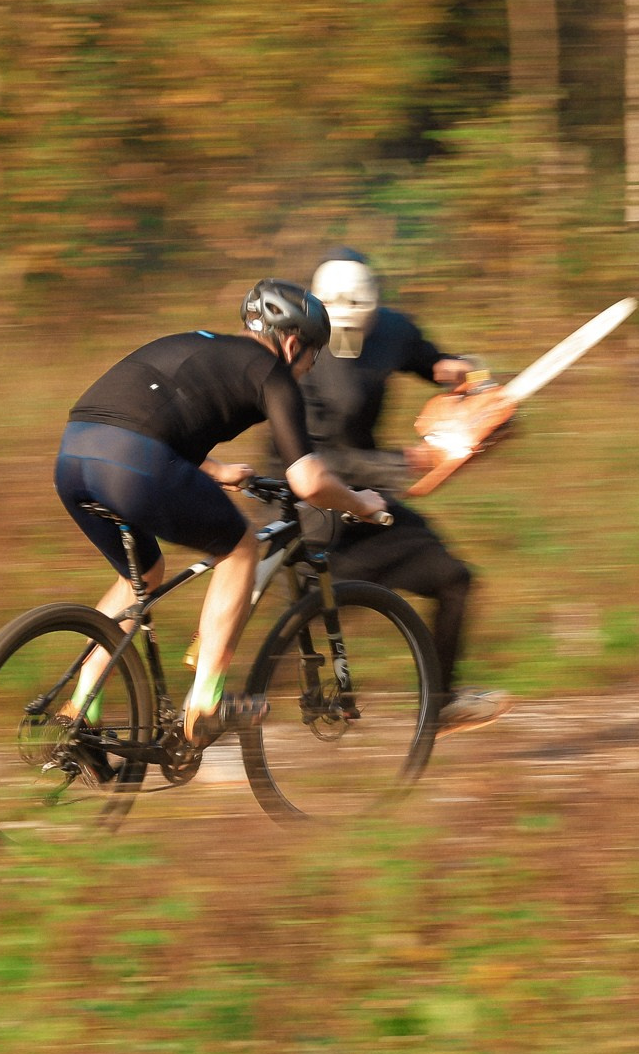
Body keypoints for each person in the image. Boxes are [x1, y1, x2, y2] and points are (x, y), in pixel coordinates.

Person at [58, 280, 388, 748]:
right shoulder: (272, 373)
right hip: (132, 464)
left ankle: (81, 709)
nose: (307, 370)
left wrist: (215, 469)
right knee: (240, 548)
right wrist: (361, 502)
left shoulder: (198, 344)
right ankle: (206, 703)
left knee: (144, 575)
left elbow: (149, 419)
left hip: (74, 456)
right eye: (312, 357)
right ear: (293, 342)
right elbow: (309, 482)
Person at [302, 249, 510, 734]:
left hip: (368, 501)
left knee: (454, 579)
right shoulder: (301, 355)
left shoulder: (392, 329)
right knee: (304, 617)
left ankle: (440, 702)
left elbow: (430, 360)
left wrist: (459, 373)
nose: (350, 336)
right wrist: (401, 462)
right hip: (309, 508)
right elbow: (314, 460)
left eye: (361, 324)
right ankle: (215, 699)